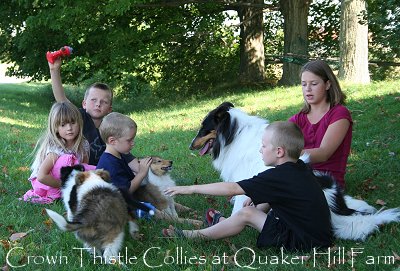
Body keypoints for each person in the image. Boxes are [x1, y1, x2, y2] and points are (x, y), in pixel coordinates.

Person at [163, 121, 333, 251]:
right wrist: (254, 196)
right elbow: (282, 195)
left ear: (279, 152)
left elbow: (231, 189)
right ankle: (224, 223)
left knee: (247, 213)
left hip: (302, 243)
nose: (260, 150)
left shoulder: (277, 176)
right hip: (320, 236)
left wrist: (190, 189)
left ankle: (195, 236)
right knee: (259, 204)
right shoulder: (299, 168)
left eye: (264, 146)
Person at [48, 58, 137, 169]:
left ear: (110, 109)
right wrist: (54, 70)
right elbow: (62, 100)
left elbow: (125, 153)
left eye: (104, 102)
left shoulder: (112, 126)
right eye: (93, 100)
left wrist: (141, 170)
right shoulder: (79, 118)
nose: (98, 104)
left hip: (105, 172)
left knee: (134, 172)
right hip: (82, 173)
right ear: (84, 104)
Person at [289, 59, 352, 189]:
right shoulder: (298, 119)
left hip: (327, 183)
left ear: (327, 84)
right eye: (304, 84)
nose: (308, 89)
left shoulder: (339, 114)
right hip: (300, 176)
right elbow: (279, 139)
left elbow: (324, 153)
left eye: (314, 83)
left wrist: (284, 153)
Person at [22, 102, 95, 204]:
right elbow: (42, 176)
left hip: (66, 179)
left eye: (73, 122)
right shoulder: (56, 148)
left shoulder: (83, 144)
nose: (69, 128)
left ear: (80, 122)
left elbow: (84, 167)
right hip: (45, 184)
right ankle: (56, 193)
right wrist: (63, 184)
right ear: (56, 127)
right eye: (63, 125)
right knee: (66, 159)